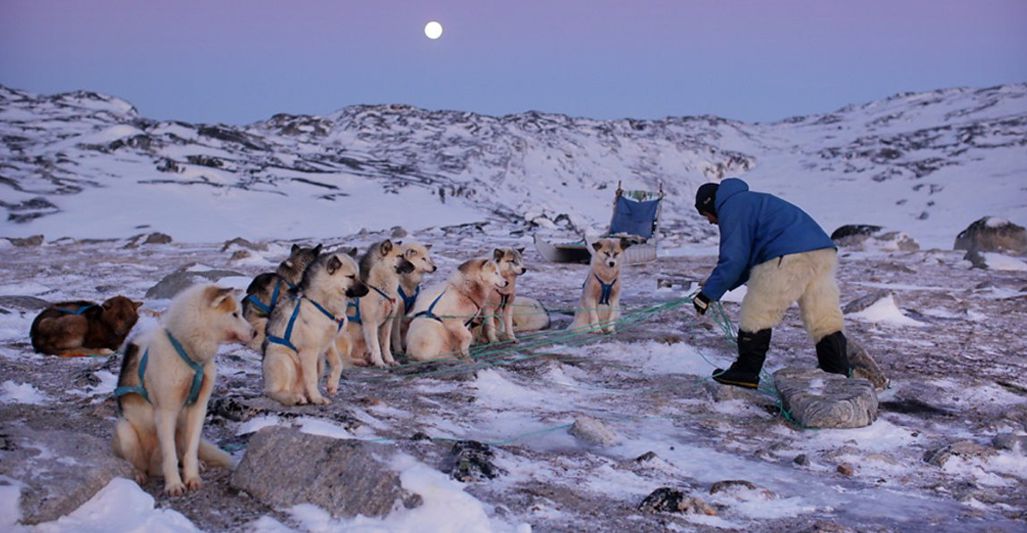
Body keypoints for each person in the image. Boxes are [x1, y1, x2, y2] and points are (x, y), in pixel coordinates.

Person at [692, 178, 850, 389]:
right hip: (821, 250)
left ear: (709, 204)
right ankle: (836, 370)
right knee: (822, 314)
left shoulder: (731, 207)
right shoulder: (751, 202)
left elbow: (734, 259)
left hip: (789, 255)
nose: (711, 221)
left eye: (706, 216)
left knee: (757, 312)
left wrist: (707, 295)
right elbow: (745, 263)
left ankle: (745, 372)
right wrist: (714, 288)